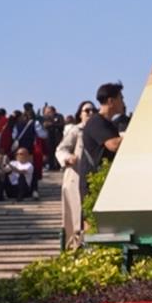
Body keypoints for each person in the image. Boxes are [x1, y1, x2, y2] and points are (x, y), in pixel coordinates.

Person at [57, 101, 91, 250]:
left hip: (92, 177)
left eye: (93, 110)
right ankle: (73, 248)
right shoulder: (76, 130)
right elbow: (61, 149)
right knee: (75, 217)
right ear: (80, 114)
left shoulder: (99, 129)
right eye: (87, 110)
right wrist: (67, 158)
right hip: (76, 176)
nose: (90, 113)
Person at [78, 83, 126, 179]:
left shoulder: (108, 123)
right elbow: (114, 145)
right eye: (121, 98)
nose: (123, 103)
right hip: (94, 184)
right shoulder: (96, 122)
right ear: (111, 101)